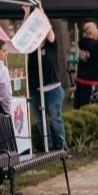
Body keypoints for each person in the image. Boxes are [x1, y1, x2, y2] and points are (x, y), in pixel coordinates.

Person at [28, 21, 68, 153]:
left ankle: (61, 147)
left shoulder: (52, 45)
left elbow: (50, 32)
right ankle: (48, 146)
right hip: (36, 91)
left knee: (54, 119)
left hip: (52, 89)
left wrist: (41, 12)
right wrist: (27, 13)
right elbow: (26, 31)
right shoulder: (32, 49)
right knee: (40, 121)